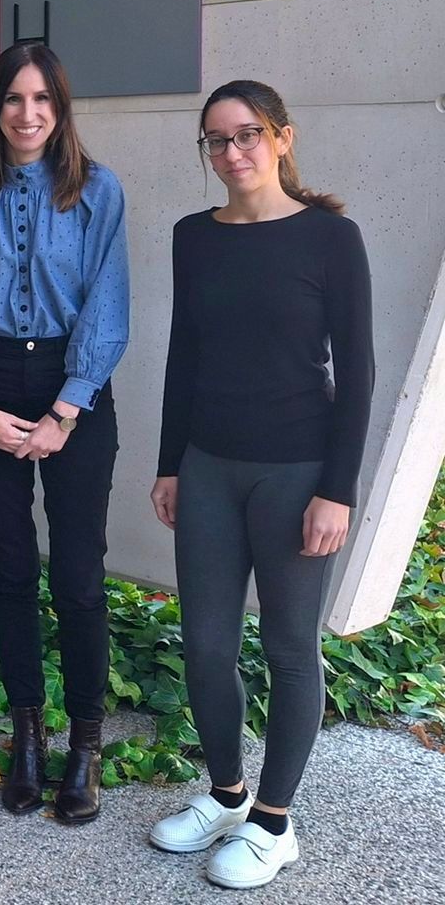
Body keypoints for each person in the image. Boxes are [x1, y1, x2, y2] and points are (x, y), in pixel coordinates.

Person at [145, 81, 373, 888]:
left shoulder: (330, 239)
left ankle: (275, 824)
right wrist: (171, 463)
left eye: (247, 135)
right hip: (209, 466)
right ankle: (228, 796)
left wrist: (338, 490)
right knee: (206, 646)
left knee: (286, 647)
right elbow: (185, 353)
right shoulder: (193, 236)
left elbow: (359, 369)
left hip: (297, 472)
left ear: (282, 138)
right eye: (215, 140)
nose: (232, 153)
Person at [0, 41, 129, 822]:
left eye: (42, 99)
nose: (28, 113)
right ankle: (28, 738)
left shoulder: (97, 192)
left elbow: (108, 307)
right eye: (13, 98)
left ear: (61, 108)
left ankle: (85, 746)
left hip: (74, 389)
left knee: (77, 576)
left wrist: (65, 411)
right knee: (10, 571)